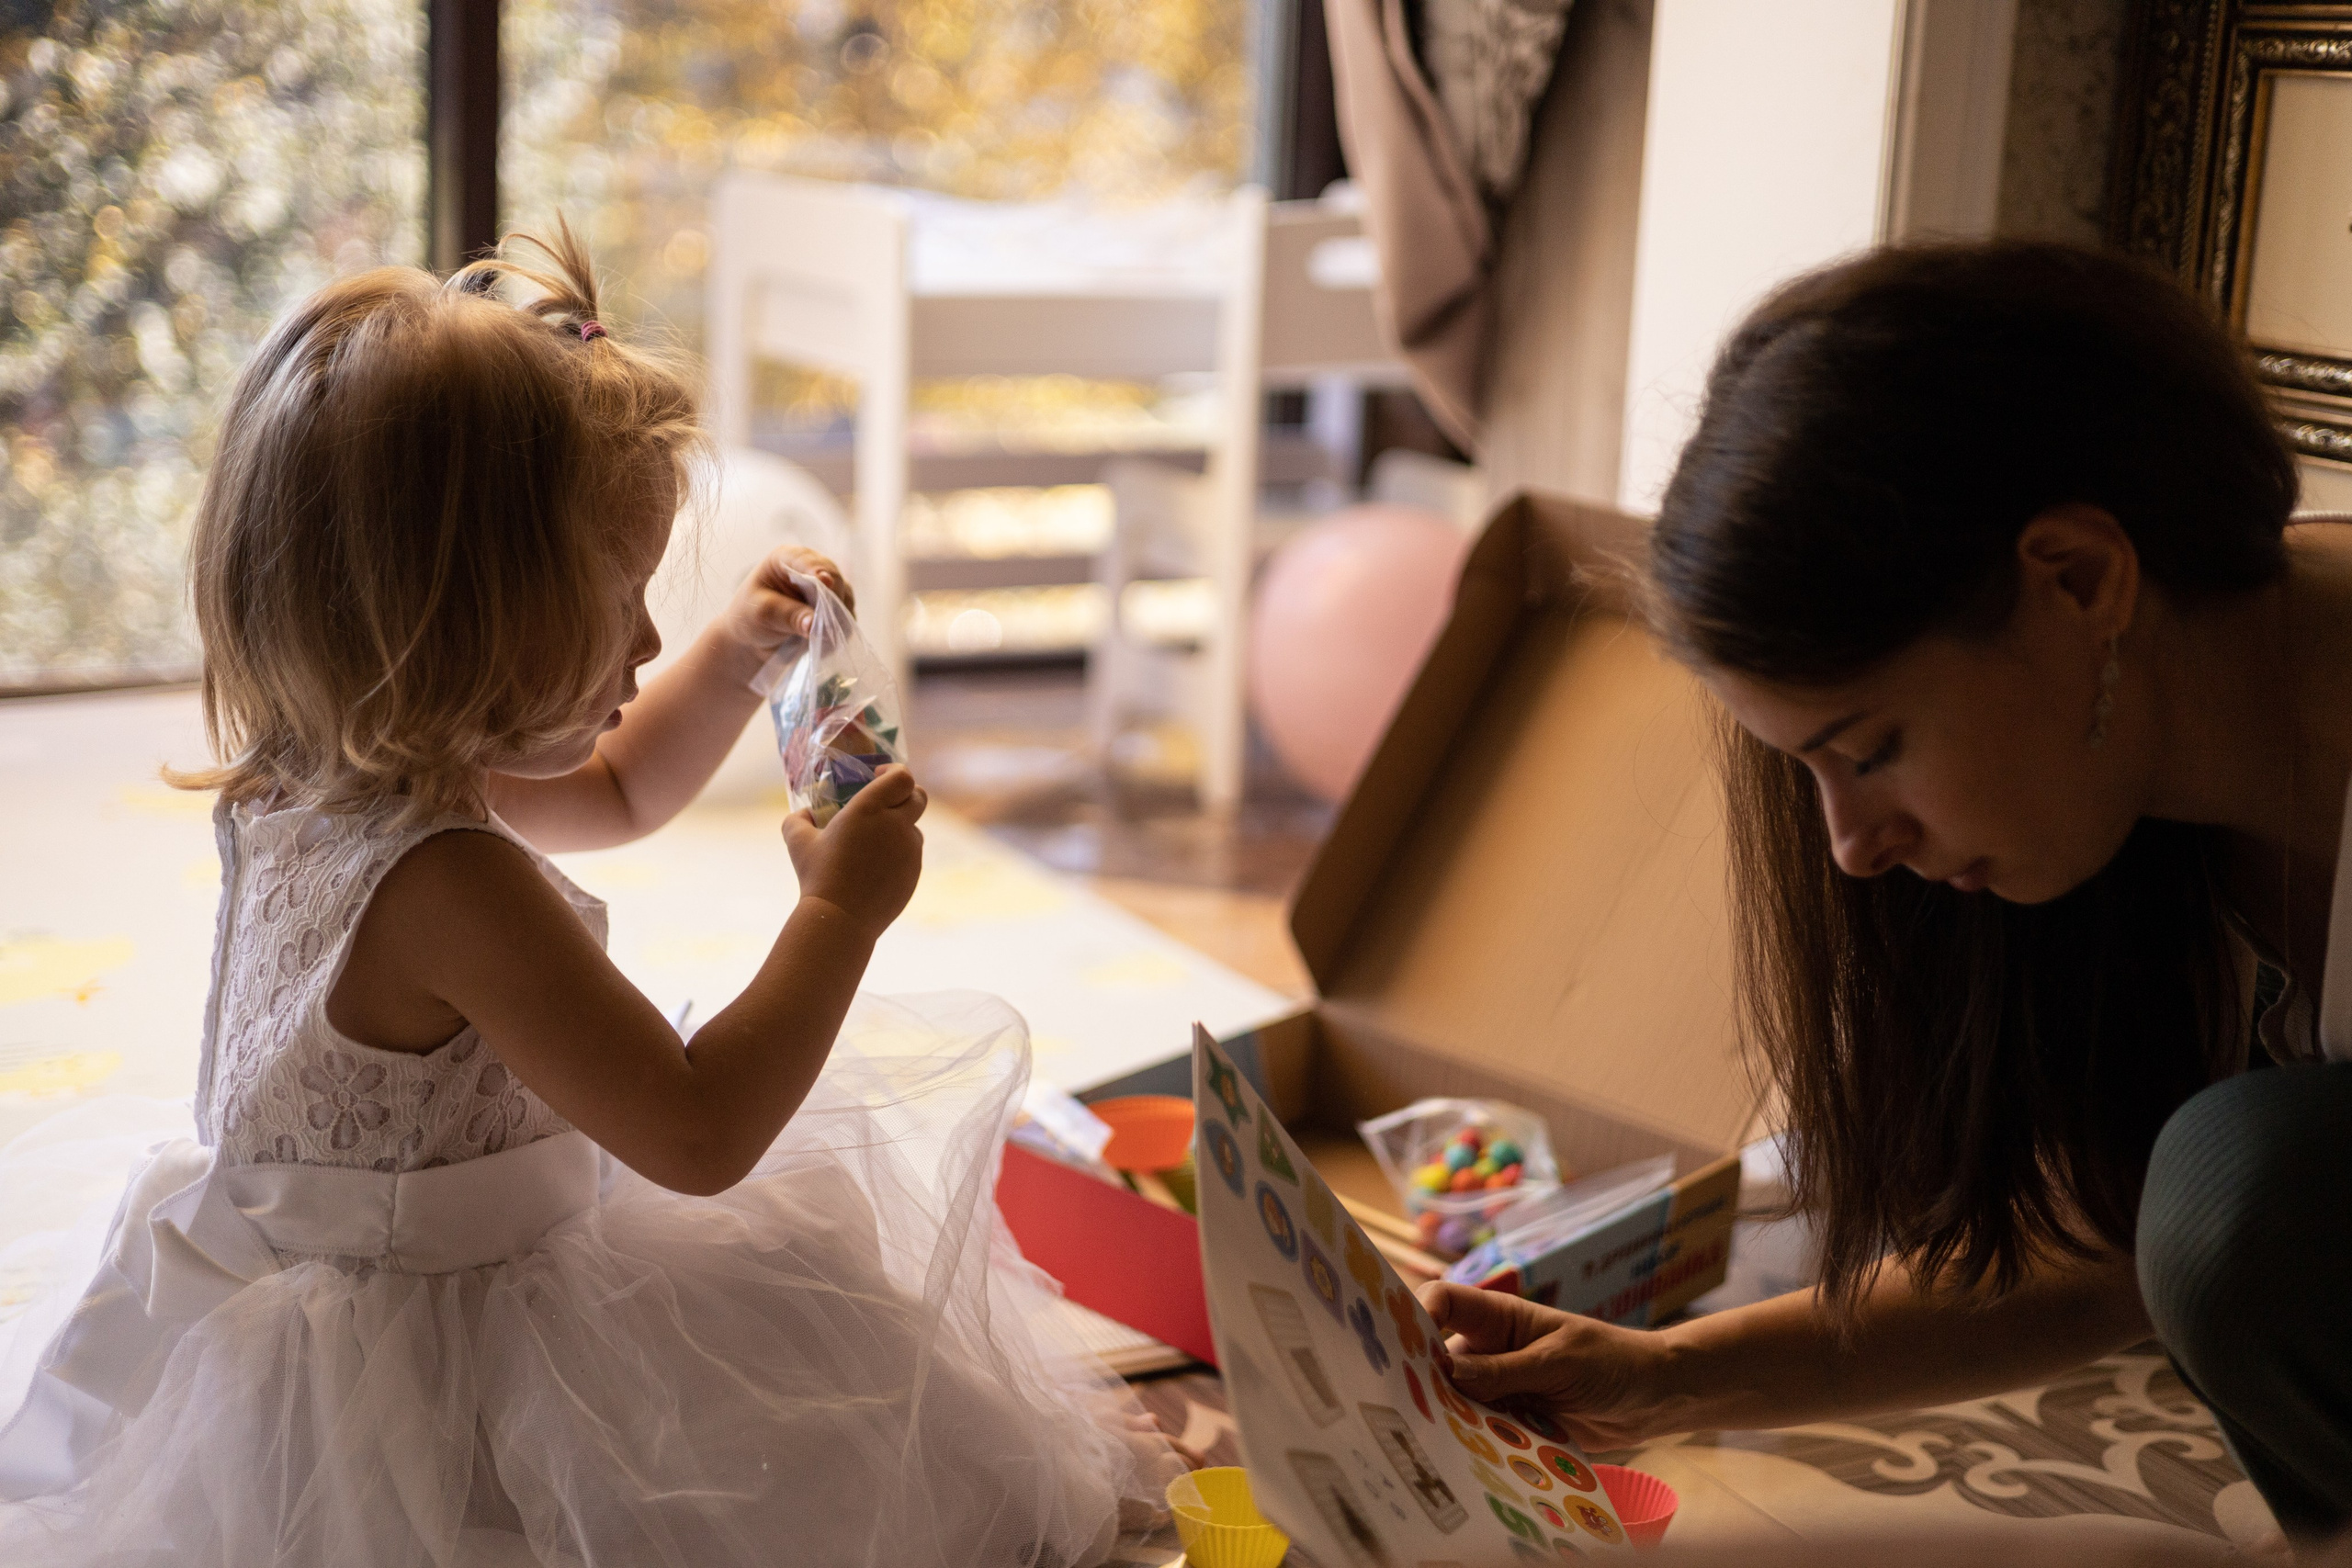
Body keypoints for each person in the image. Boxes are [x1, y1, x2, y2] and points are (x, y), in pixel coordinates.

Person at [0, 227, 1175, 1565]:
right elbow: (699, 1132)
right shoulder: (450, 879)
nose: (651, 640)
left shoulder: (327, 769)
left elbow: (614, 792)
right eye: (619, 598)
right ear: (466, 618)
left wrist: (735, 660)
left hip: (321, 1291)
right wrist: (837, 918)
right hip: (439, 1363)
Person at [1416, 241, 2352, 1542]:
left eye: (1871, 750)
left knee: (2247, 1176)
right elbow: (2116, 1233)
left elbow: (2237, 1222)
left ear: (2081, 580)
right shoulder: (2137, 776)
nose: (1852, 845)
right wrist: (1666, 1378)